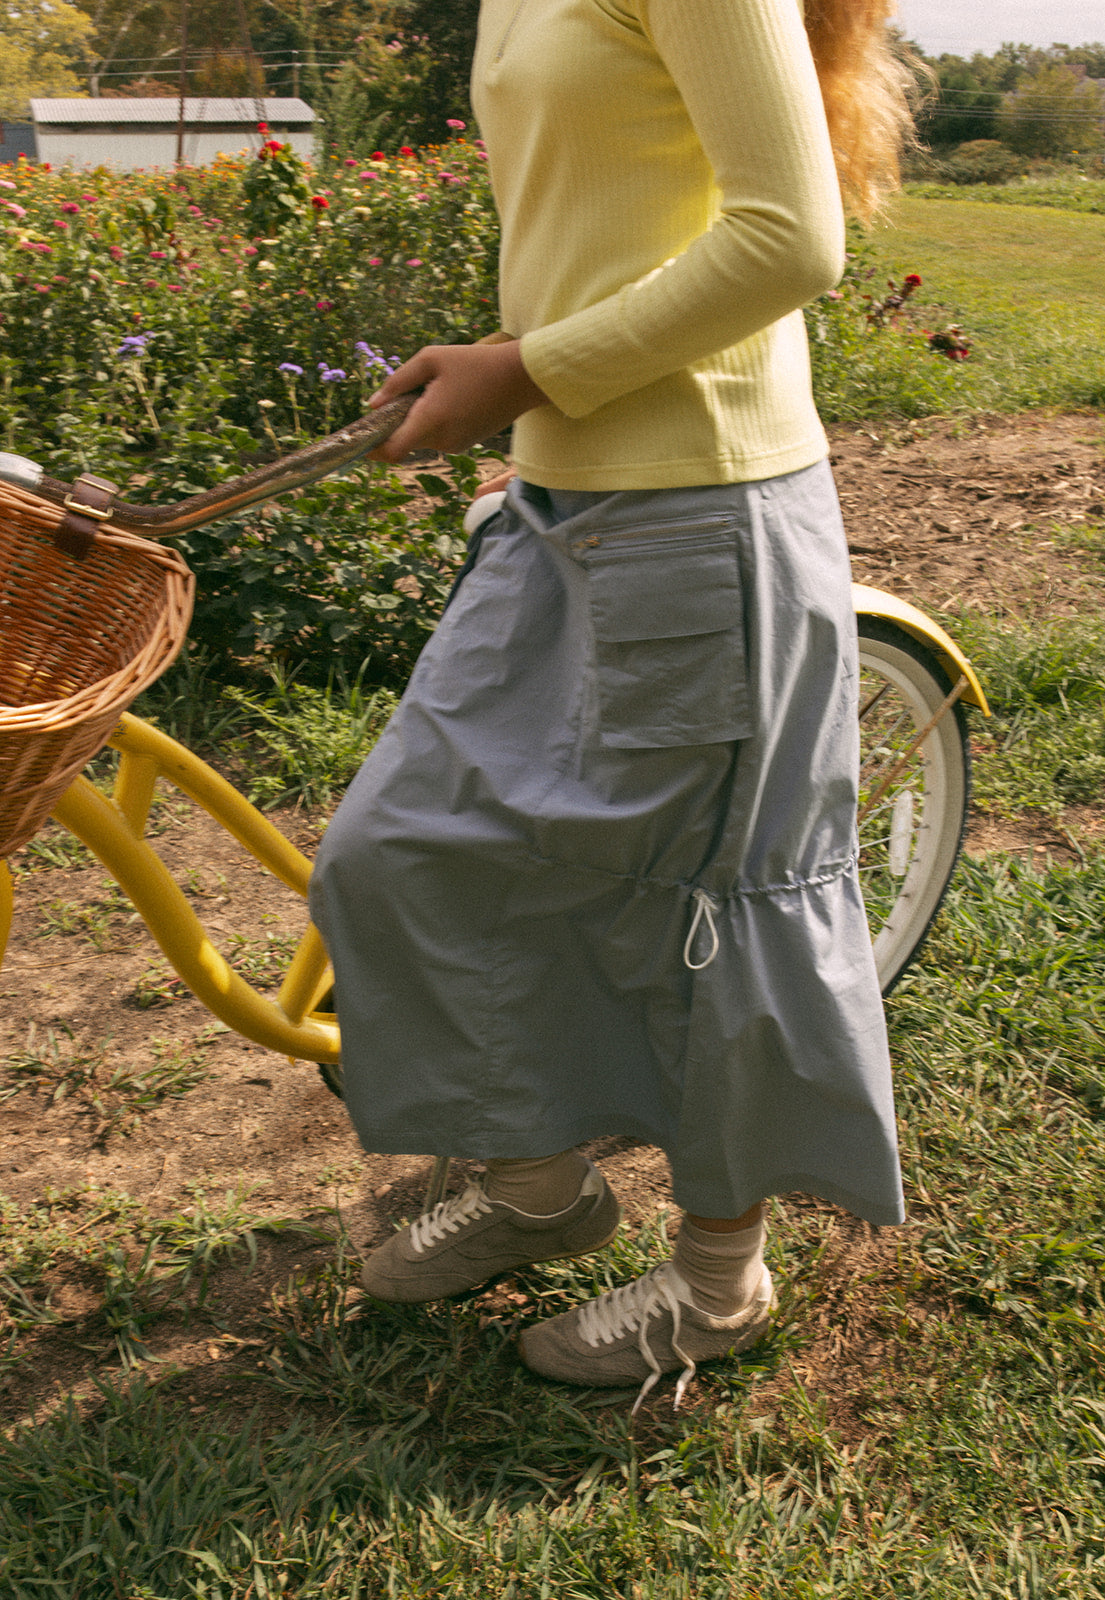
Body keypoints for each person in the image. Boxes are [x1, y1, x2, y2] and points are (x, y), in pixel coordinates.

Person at [309, 0, 917, 1410]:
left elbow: (790, 239)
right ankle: (542, 1194)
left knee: (705, 911)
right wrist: (519, 398)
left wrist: (527, 372)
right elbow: (607, 219)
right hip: (561, 493)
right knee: (393, 854)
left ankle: (719, 1284)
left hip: (701, 510)